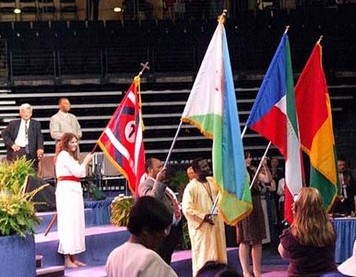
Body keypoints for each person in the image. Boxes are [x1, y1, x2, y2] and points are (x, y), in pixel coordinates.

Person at [106, 196, 178, 277]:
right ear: (145, 230)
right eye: (161, 230)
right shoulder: (149, 259)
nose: (164, 235)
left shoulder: (114, 256)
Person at [182, 158, 227, 277]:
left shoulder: (213, 181)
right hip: (203, 230)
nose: (208, 168)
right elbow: (186, 209)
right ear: (196, 170)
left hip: (216, 226)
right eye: (204, 167)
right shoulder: (191, 187)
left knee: (220, 261)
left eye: (207, 165)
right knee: (204, 260)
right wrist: (203, 217)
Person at [55, 132, 93, 268]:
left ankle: (73, 257)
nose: (74, 144)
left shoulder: (70, 157)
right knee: (68, 223)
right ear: (65, 143)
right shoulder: (64, 156)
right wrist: (86, 161)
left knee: (76, 223)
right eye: (71, 142)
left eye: (76, 142)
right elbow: (79, 172)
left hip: (74, 191)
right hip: (66, 192)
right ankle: (67, 258)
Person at [278, 187, 337, 276]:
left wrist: (296, 219)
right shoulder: (330, 229)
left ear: (298, 209)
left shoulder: (290, 235)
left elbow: (283, 254)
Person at [137, 157, 182, 265]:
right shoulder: (145, 185)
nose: (163, 169)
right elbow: (151, 201)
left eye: (162, 165)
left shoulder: (162, 183)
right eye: (159, 167)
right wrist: (158, 181)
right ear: (150, 170)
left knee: (167, 259)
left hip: (173, 229)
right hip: (161, 231)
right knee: (161, 261)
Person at [236, 151, 272, 277]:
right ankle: (246, 271)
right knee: (245, 239)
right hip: (244, 205)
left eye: (250, 157)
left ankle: (257, 270)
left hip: (255, 204)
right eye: (247, 157)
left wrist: (264, 166)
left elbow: (267, 180)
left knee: (257, 239)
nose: (249, 160)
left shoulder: (254, 170)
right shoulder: (238, 172)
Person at [1, 103, 44, 170]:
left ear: (31, 114)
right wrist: (12, 144)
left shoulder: (36, 124)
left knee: (32, 173)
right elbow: (4, 133)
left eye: (29, 112)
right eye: (24, 112)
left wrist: (40, 148)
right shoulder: (13, 124)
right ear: (20, 113)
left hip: (31, 152)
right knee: (17, 172)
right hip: (18, 151)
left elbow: (39, 136)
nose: (26, 114)